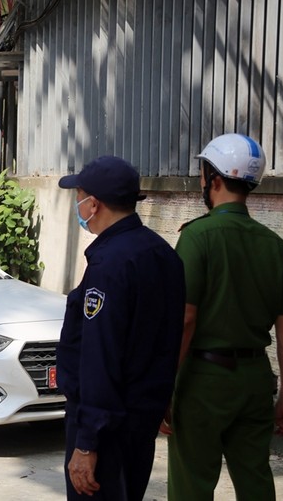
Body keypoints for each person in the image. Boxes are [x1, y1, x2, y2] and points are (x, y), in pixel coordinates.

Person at [166, 133, 283, 500]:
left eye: (202, 172)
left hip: (202, 382)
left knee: (191, 485)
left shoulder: (198, 238)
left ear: (216, 179)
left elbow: (185, 321)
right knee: (256, 481)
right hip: (256, 381)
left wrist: (165, 386)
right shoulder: (276, 246)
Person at [56, 155, 185, 500]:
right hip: (141, 418)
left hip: (108, 426)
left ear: (93, 204)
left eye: (79, 196)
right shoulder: (162, 254)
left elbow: (100, 356)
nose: (78, 205)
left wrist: (87, 442)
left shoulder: (110, 265)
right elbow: (168, 341)